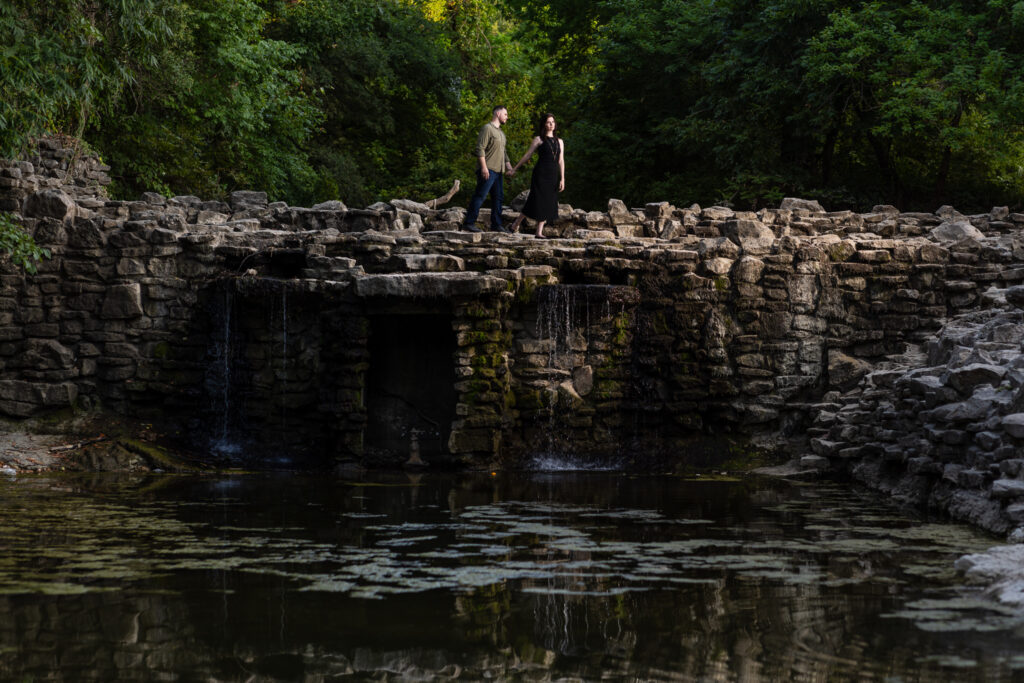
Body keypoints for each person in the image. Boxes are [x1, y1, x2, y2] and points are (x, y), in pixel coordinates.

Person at [508, 113, 564, 238]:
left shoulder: (559, 141)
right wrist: (514, 169)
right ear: (544, 124)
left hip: (553, 175)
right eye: (549, 122)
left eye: (553, 122)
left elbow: (561, 160)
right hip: (540, 174)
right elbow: (527, 155)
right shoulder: (539, 139)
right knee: (535, 199)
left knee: (548, 201)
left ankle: (538, 232)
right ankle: (516, 224)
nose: (551, 124)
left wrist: (563, 178)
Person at [462, 105, 515, 233]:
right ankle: (469, 223)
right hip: (488, 169)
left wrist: (509, 166)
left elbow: (504, 152)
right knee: (480, 195)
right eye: (505, 114)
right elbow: (480, 148)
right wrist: (484, 168)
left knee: (498, 198)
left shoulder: (501, 133)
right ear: (497, 113)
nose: (507, 117)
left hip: (498, 171)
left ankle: (496, 225)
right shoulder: (487, 128)